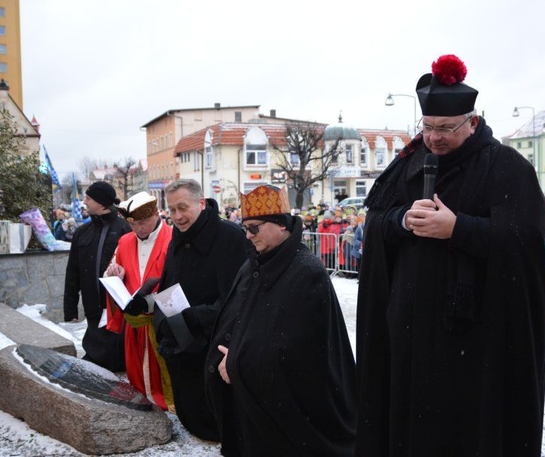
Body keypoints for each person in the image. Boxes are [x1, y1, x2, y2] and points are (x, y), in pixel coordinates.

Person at [355, 54, 545, 456]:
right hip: (408, 330)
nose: (434, 138)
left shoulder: (506, 166)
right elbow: (376, 221)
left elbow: (525, 237)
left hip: (477, 339)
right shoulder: (410, 162)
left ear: (472, 122)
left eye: (446, 128)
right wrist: (403, 220)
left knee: (465, 430)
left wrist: (459, 229)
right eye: (427, 128)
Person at [205, 185, 356, 455]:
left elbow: (296, 351)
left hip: (289, 414)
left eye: (254, 228)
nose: (248, 236)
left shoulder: (306, 272)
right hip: (251, 401)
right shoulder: (255, 262)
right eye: (244, 228)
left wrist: (238, 361)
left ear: (282, 225)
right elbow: (237, 319)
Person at [153, 178, 249, 441]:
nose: (177, 216)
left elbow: (236, 298)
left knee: (216, 414)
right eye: (171, 210)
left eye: (183, 208)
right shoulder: (177, 236)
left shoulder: (229, 237)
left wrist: (194, 317)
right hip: (181, 337)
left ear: (201, 203)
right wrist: (161, 315)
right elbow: (168, 281)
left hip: (211, 340)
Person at [104, 191, 174, 410]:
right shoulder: (124, 241)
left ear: (155, 214)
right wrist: (114, 273)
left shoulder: (173, 239)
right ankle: (141, 398)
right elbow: (111, 271)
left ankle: (167, 400)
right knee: (135, 368)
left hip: (162, 320)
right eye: (132, 224)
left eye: (142, 223)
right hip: (135, 321)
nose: (137, 229)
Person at [63, 181, 131, 372]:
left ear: (101, 203)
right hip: (92, 305)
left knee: (118, 356)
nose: (84, 201)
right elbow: (72, 272)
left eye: (88, 198)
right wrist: (70, 309)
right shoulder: (82, 232)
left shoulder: (125, 230)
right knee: (95, 355)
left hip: (117, 307)